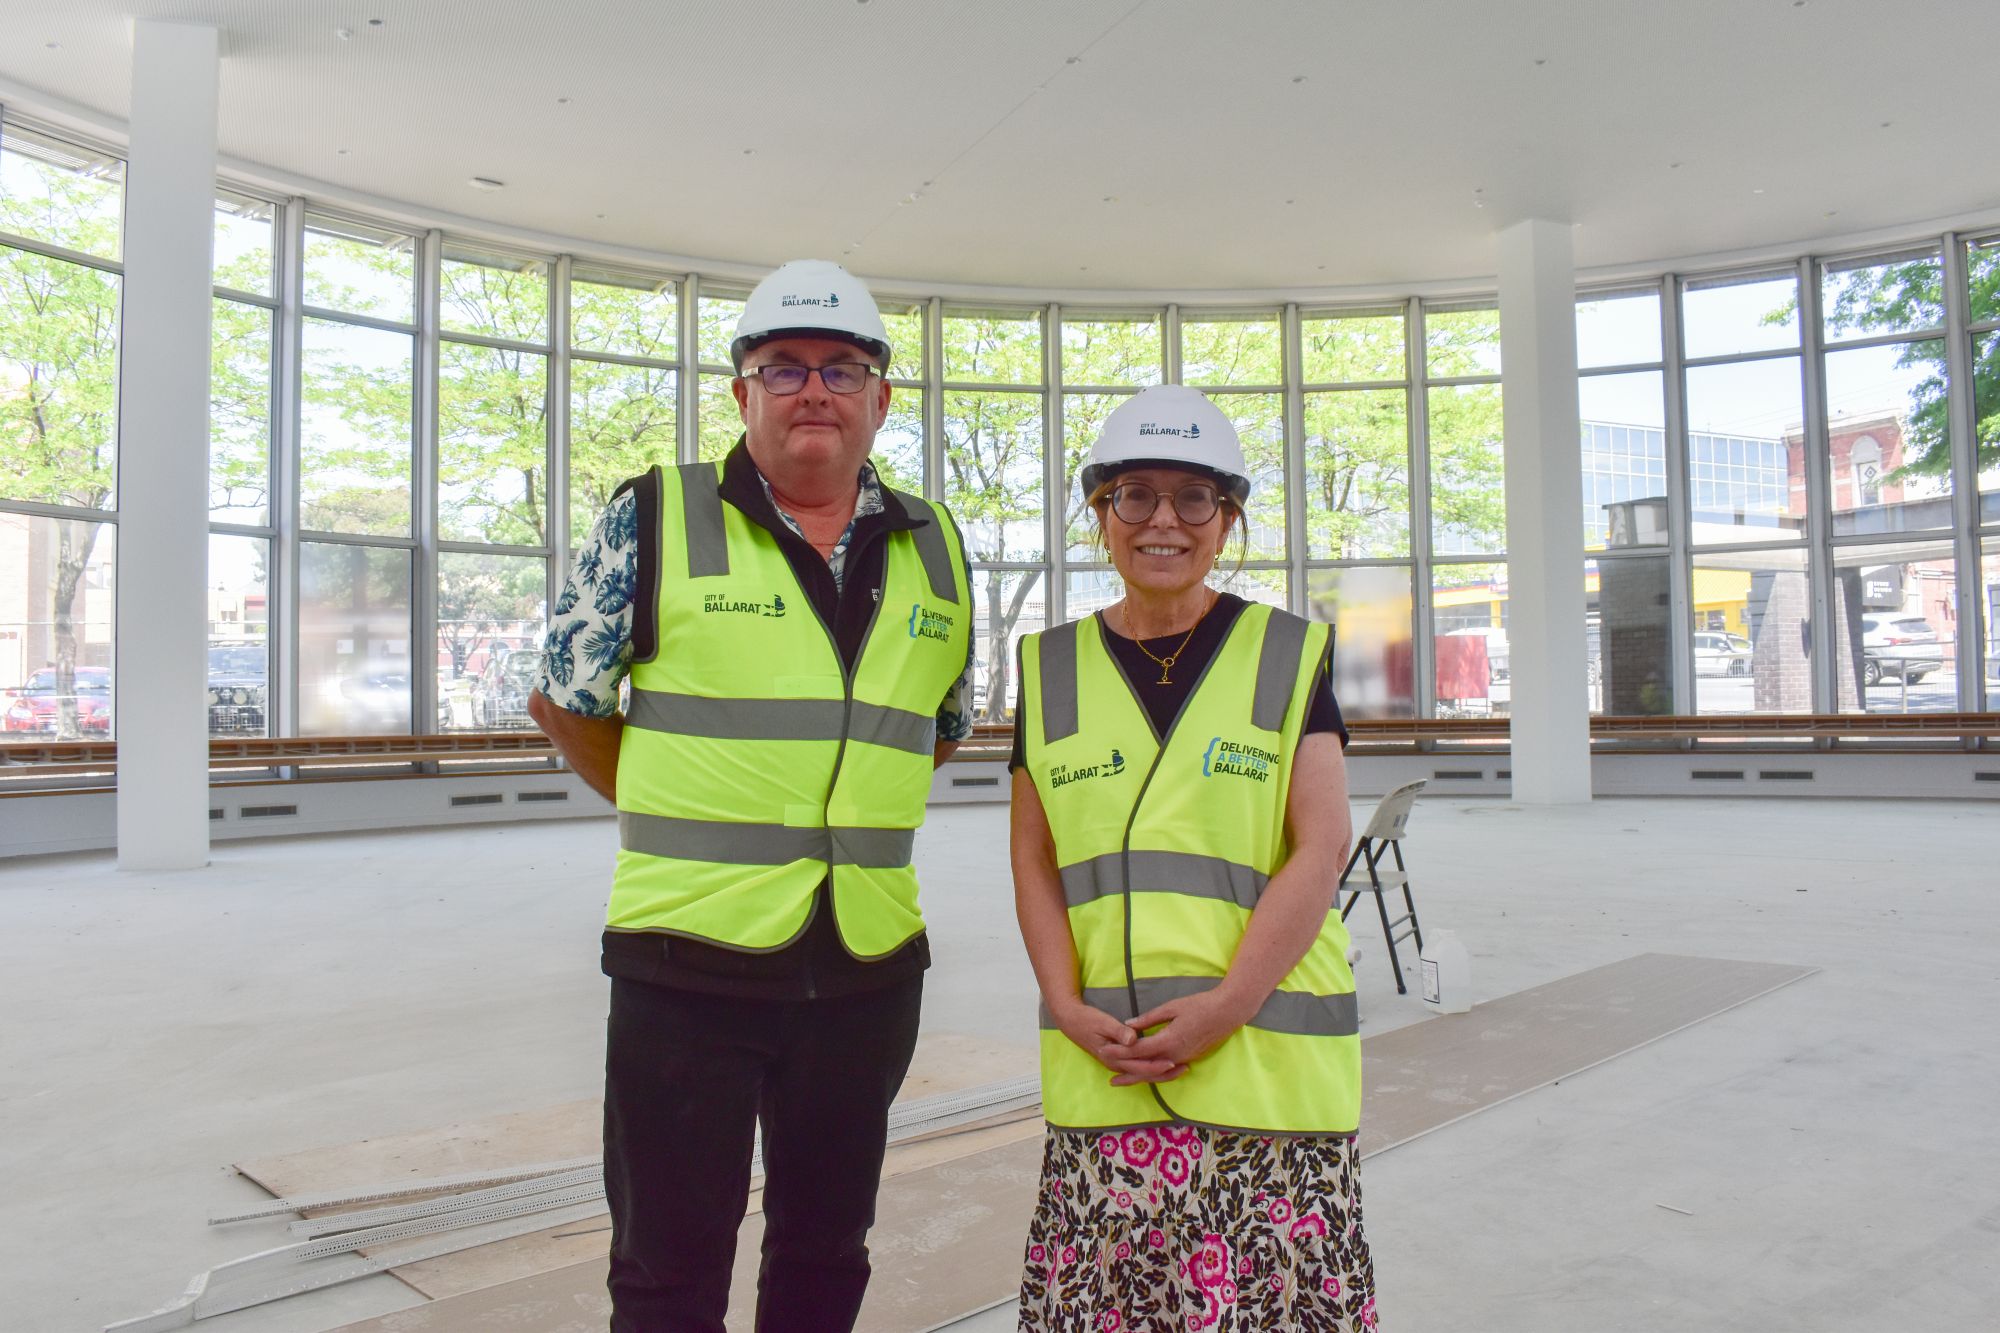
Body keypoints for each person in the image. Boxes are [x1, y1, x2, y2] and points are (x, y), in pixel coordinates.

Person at [527, 258, 974, 1333]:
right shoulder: (656, 516)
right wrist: (673, 802)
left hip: (865, 968)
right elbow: (566, 697)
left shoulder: (937, 545)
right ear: (741, 393)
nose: (811, 389)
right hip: (686, 964)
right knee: (668, 1265)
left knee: (826, 1253)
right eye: (781, 368)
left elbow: (938, 727)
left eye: (840, 367)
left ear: (879, 396)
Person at [1008, 384, 1377, 1330]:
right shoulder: (1048, 671)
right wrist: (1062, 1004)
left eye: (1193, 498)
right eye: (1135, 494)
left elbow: (1322, 843)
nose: (1163, 520)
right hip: (1110, 1064)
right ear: (1102, 514)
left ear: (1227, 520)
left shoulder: (1287, 654)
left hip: (1266, 1073)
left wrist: (1229, 1004)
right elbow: (1034, 860)